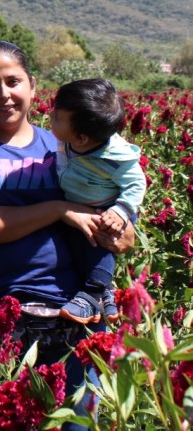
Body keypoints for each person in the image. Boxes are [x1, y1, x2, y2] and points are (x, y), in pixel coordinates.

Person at [0, 41, 134, 427]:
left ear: (33, 85)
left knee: (81, 422)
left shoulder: (66, 144)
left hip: (79, 311)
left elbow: (123, 236)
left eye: (13, 81)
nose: (4, 94)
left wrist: (117, 225)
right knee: (16, 419)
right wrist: (60, 208)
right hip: (7, 311)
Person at [50, 78, 146, 324]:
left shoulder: (114, 158)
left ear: (81, 138)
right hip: (79, 206)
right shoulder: (69, 141)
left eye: (57, 118)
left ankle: (93, 290)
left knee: (98, 242)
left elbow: (137, 184)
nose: (51, 117)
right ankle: (106, 294)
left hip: (111, 208)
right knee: (76, 244)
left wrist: (121, 211)